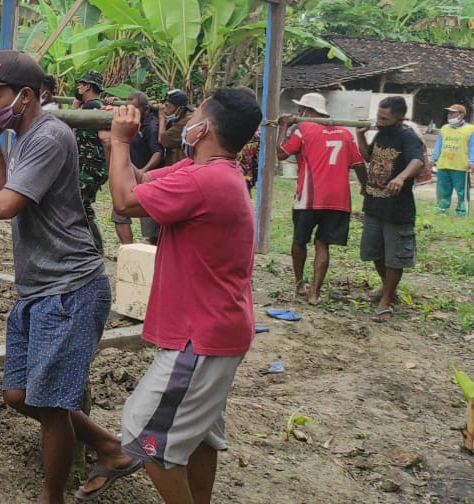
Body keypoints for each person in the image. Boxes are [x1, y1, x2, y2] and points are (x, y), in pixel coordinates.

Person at [0, 51, 131, 503]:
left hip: (70, 286)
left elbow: (8, 204)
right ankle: (110, 447)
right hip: (38, 287)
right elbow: (6, 189)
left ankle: (53, 496)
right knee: (17, 394)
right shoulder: (23, 134)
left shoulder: (50, 135)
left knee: (52, 405)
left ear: (26, 96)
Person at [108, 88, 262, 504]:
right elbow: (138, 180)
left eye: (192, 114)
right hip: (220, 328)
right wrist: (116, 144)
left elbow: (124, 200)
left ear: (205, 127)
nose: (187, 121)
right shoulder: (214, 172)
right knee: (198, 437)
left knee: (143, 432)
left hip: (201, 336)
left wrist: (122, 142)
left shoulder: (203, 179)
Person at [277, 92, 367, 304]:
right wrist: (365, 187)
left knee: (300, 241)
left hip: (309, 198)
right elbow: (359, 164)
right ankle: (314, 293)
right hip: (338, 200)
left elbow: (281, 153)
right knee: (322, 244)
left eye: (301, 110)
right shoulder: (345, 134)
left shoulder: (304, 128)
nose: (298, 113)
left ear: (308, 111)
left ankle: (300, 284)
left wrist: (283, 127)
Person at [357, 96, 425, 323]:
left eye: (385, 118)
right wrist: (360, 135)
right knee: (375, 252)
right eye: (379, 116)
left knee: (394, 258)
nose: (380, 120)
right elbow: (368, 156)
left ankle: (385, 301)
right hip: (375, 204)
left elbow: (417, 161)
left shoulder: (408, 136)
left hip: (397, 208)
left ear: (399, 117)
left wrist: (402, 177)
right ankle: (388, 289)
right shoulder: (380, 133)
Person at [114, 90, 162, 245]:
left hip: (149, 178)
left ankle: (153, 253)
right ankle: (128, 250)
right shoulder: (130, 124)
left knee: (150, 225)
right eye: (127, 108)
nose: (129, 112)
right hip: (130, 174)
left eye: (133, 109)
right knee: (119, 214)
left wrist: (143, 172)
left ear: (145, 109)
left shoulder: (152, 126)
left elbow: (158, 153)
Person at [73, 70, 109, 250]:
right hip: (94, 167)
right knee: (82, 205)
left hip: (89, 167)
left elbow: (68, 124)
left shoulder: (88, 108)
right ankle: (91, 245)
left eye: (80, 84)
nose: (78, 87)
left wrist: (74, 107)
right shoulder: (97, 105)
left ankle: (94, 247)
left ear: (87, 86)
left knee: (79, 205)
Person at [432, 104, 474, 216]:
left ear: (461, 115)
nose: (449, 115)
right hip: (443, 165)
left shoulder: (471, 129)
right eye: (449, 113)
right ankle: (441, 211)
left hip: (461, 166)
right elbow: (438, 145)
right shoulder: (444, 128)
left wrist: (472, 162)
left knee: (462, 192)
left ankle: (462, 213)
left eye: (452, 113)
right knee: (442, 191)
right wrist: (433, 158)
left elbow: (472, 147)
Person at [158, 89, 192, 167]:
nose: (164, 109)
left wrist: (162, 117)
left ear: (180, 108)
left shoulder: (187, 121)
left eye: (167, 106)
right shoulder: (179, 116)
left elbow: (162, 139)